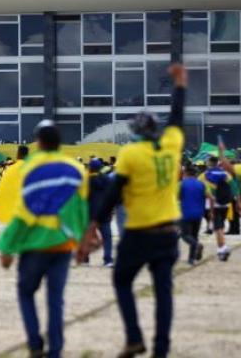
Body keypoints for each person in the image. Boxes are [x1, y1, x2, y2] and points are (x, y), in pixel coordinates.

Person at [79, 63, 187, 358]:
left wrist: (93, 225)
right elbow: (177, 118)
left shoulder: (131, 154)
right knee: (163, 292)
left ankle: (134, 337)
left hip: (139, 233)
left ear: (137, 132)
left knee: (122, 281)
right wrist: (180, 85)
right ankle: (161, 349)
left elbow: (113, 193)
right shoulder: (171, 147)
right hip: (168, 233)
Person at [0, 120, 89, 358]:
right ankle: (55, 351)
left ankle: (36, 345)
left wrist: (7, 247)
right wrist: (83, 241)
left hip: (35, 245)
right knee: (55, 300)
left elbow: (24, 211)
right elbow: (80, 210)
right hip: (63, 244)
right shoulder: (76, 169)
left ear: (40, 142)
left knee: (26, 292)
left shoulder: (30, 168)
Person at [199, 156, 232, 261]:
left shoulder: (204, 175)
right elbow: (233, 186)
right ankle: (222, 247)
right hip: (225, 203)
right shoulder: (225, 173)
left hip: (213, 205)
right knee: (220, 226)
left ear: (209, 164)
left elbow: (202, 190)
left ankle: (222, 249)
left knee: (217, 228)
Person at [88, 158, 113, 267]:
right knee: (107, 237)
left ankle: (85, 259)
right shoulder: (107, 180)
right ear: (100, 168)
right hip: (104, 212)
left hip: (90, 212)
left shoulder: (86, 180)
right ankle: (108, 259)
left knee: (88, 236)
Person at [179, 165, 206, 265]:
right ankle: (191, 259)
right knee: (194, 235)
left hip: (186, 213)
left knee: (185, 235)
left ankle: (197, 245)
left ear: (185, 173)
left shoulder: (182, 184)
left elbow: (177, 198)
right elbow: (207, 197)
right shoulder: (201, 184)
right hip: (198, 214)